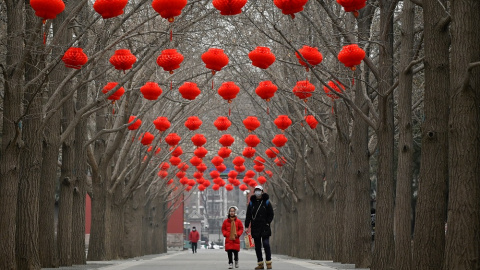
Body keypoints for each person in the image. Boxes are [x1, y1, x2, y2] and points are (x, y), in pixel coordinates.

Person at [245, 185, 274, 269]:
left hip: (265, 226)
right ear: (254, 192)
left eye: (259, 190)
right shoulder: (251, 203)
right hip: (255, 227)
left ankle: (268, 262)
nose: (258, 192)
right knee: (257, 246)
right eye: (256, 190)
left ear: (262, 192)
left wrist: (268, 222)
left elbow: (271, 214)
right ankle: (260, 263)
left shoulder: (266, 202)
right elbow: (248, 215)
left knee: (266, 244)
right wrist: (247, 226)